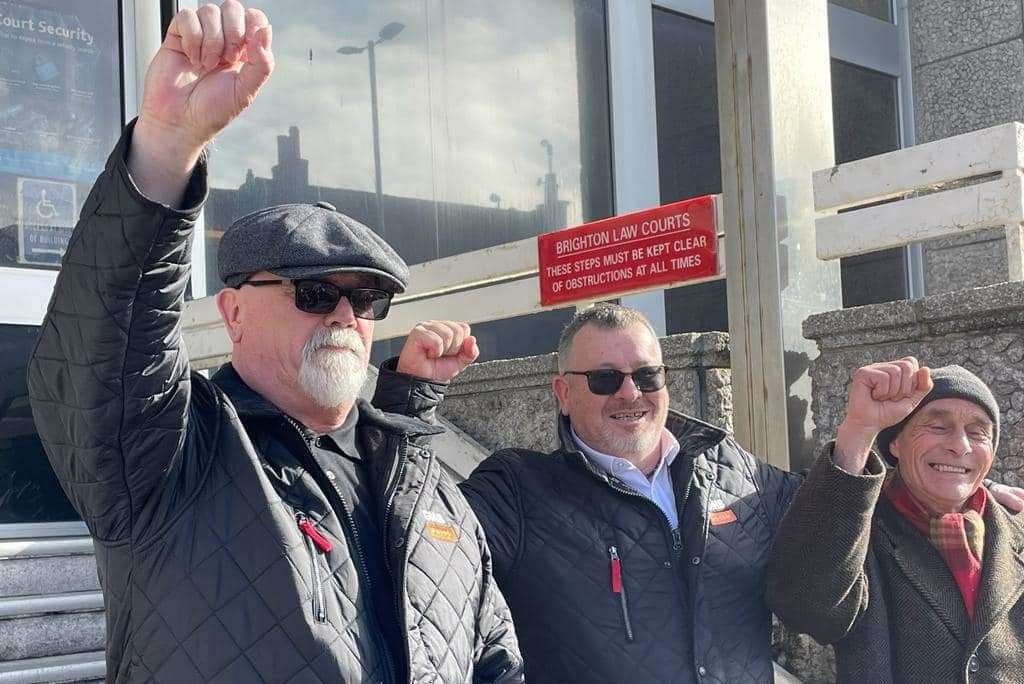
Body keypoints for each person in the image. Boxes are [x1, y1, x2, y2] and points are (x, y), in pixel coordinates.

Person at [27, 2, 521, 682]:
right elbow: (105, 346)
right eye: (314, 293)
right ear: (233, 313)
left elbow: (493, 653)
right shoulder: (174, 452)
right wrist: (168, 144)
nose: (345, 315)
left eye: (367, 298)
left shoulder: (428, 482)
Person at [456, 304, 1024, 683]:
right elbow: (419, 552)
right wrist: (411, 401)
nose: (630, 393)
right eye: (605, 378)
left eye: (647, 376)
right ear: (561, 391)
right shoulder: (518, 489)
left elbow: (836, 528)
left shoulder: (740, 476)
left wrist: (968, 490)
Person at [767, 359, 1024, 683]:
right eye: (938, 426)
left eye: (978, 432)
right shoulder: (859, 531)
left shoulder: (1014, 527)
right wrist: (859, 430)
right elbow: (806, 609)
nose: (960, 446)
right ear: (896, 443)